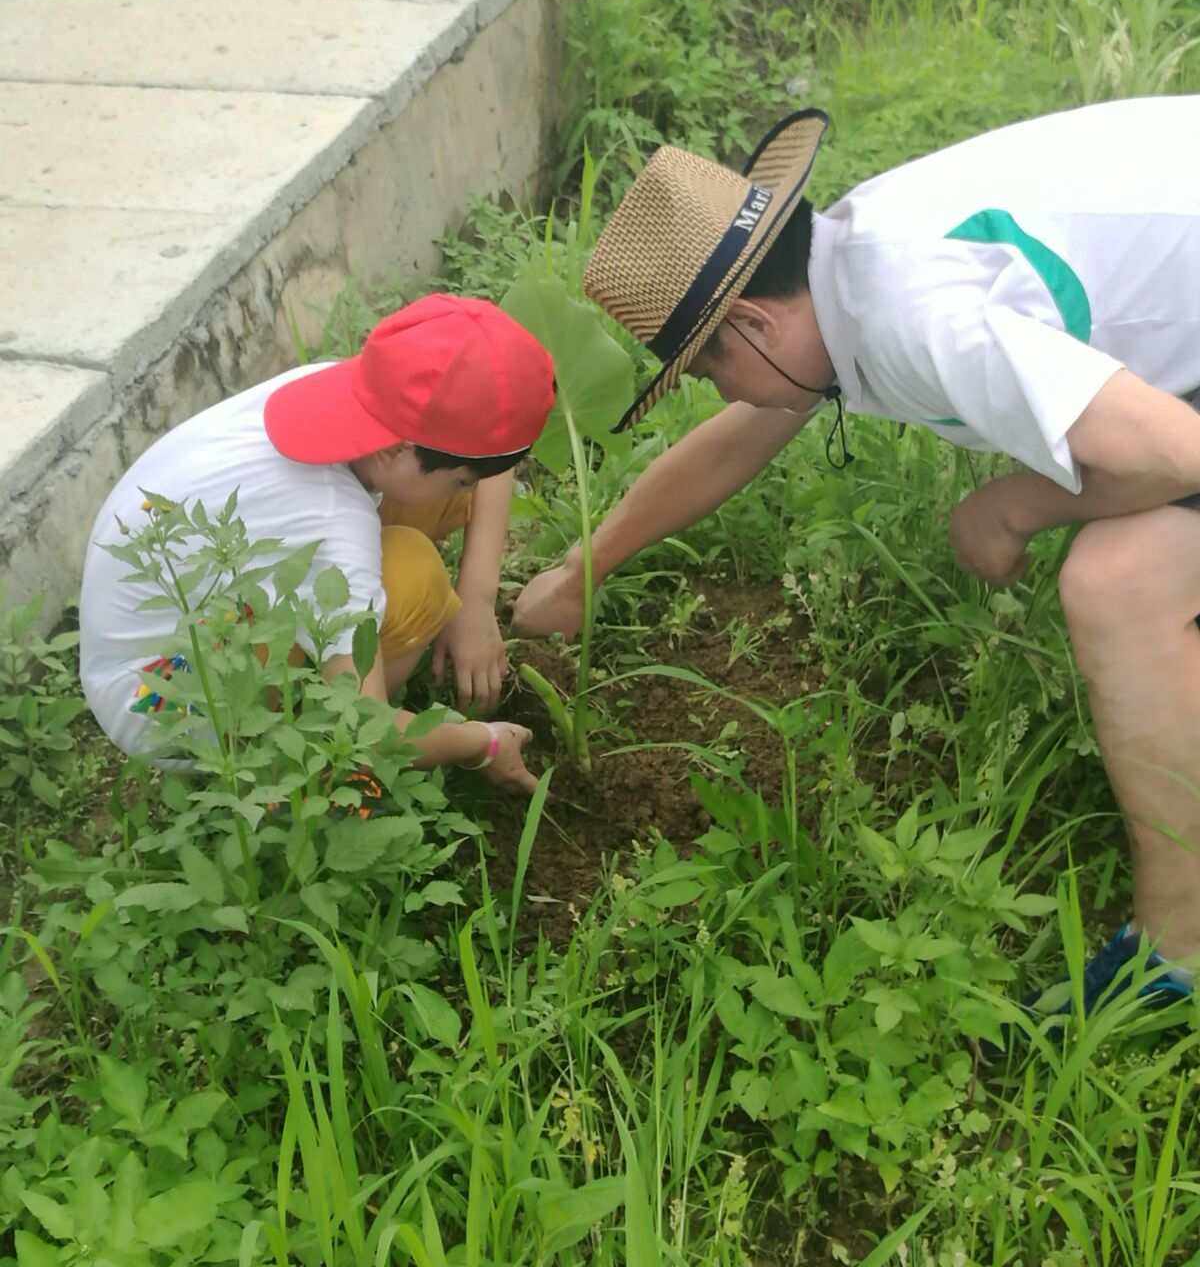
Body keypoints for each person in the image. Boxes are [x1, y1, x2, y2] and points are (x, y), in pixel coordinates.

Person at [514, 97, 1200, 1018]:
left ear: (754, 324)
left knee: (1120, 582)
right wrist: (580, 570)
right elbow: (744, 432)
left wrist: (1012, 505)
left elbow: (1176, 454)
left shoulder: (917, 320)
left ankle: (1180, 956)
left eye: (706, 369)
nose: (714, 391)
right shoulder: (848, 263)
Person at [81, 293, 554, 795]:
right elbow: (367, 728)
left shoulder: (357, 392)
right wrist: (481, 743)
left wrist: (476, 601)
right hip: (158, 701)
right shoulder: (332, 524)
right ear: (401, 448)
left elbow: (488, 465)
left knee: (431, 501)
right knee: (415, 577)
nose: (471, 487)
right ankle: (318, 779)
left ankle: (335, 675)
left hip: (162, 625)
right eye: (462, 479)